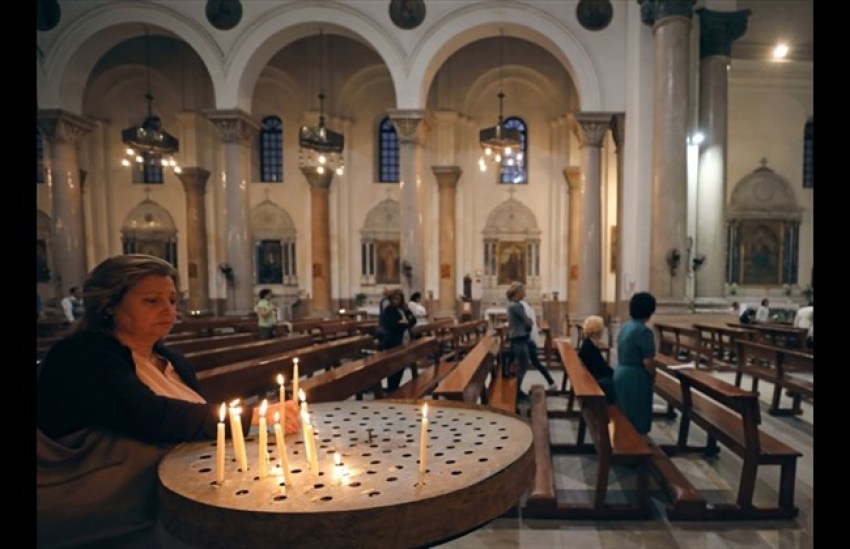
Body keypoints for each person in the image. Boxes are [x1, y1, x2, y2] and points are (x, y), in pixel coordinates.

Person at [36, 254, 300, 547]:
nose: (169, 311)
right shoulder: (81, 356)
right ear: (109, 305)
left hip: (166, 494)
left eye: (172, 301)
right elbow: (151, 416)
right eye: (152, 301)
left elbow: (192, 417)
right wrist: (254, 417)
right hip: (101, 510)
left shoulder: (171, 360)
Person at [612, 291, 658, 435]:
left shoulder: (626, 326)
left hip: (620, 372)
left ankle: (623, 445)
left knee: (623, 415)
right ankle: (635, 450)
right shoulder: (644, 332)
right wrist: (654, 375)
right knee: (637, 418)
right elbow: (647, 361)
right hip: (635, 377)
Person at [380, 288, 417, 391]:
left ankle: (395, 388)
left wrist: (405, 323)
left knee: (401, 366)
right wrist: (405, 324)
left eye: (398, 299)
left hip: (405, 340)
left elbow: (413, 320)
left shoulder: (404, 309)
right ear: (391, 299)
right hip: (394, 341)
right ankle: (392, 388)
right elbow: (391, 325)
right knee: (393, 367)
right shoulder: (389, 310)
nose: (396, 301)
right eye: (394, 299)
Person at [520, 297, 557, 390]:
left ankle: (516, 388)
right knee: (534, 362)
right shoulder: (524, 306)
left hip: (525, 340)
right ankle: (551, 382)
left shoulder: (519, 306)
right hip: (528, 340)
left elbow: (527, 323)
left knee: (524, 364)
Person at [577, 315, 616, 404]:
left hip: (590, 376)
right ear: (597, 332)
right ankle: (613, 410)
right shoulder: (590, 348)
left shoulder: (588, 343)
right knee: (615, 383)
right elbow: (602, 368)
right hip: (592, 380)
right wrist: (616, 374)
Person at [506, 281, 533, 401]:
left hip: (519, 337)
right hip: (519, 338)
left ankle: (517, 390)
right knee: (522, 365)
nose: (525, 293)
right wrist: (529, 323)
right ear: (517, 292)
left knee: (523, 364)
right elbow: (527, 321)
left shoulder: (514, 305)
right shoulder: (515, 306)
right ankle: (516, 392)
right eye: (523, 291)